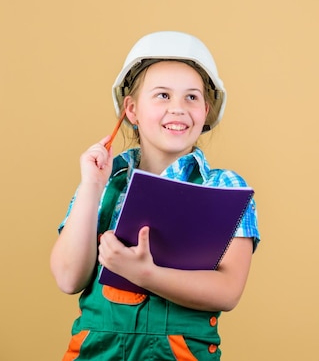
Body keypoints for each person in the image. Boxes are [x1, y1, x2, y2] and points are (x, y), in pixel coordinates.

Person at [50, 31, 260, 360]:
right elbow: (67, 277)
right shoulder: (103, 183)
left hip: (180, 352)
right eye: (162, 95)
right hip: (95, 351)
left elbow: (228, 291)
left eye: (192, 97)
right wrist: (91, 187)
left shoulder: (225, 187)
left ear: (206, 110)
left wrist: (144, 274)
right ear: (131, 110)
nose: (178, 108)